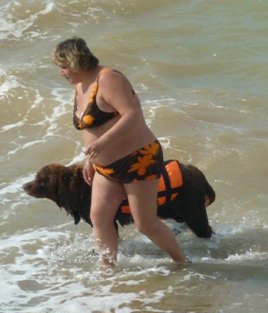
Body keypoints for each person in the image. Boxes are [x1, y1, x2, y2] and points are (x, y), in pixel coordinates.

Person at [52, 36, 188, 266]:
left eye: (63, 67)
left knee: (145, 223)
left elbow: (131, 115)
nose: (61, 73)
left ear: (76, 62)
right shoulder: (79, 86)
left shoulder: (109, 79)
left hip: (138, 159)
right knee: (99, 218)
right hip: (105, 166)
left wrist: (102, 143)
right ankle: (109, 272)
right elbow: (90, 128)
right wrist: (92, 161)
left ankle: (183, 263)